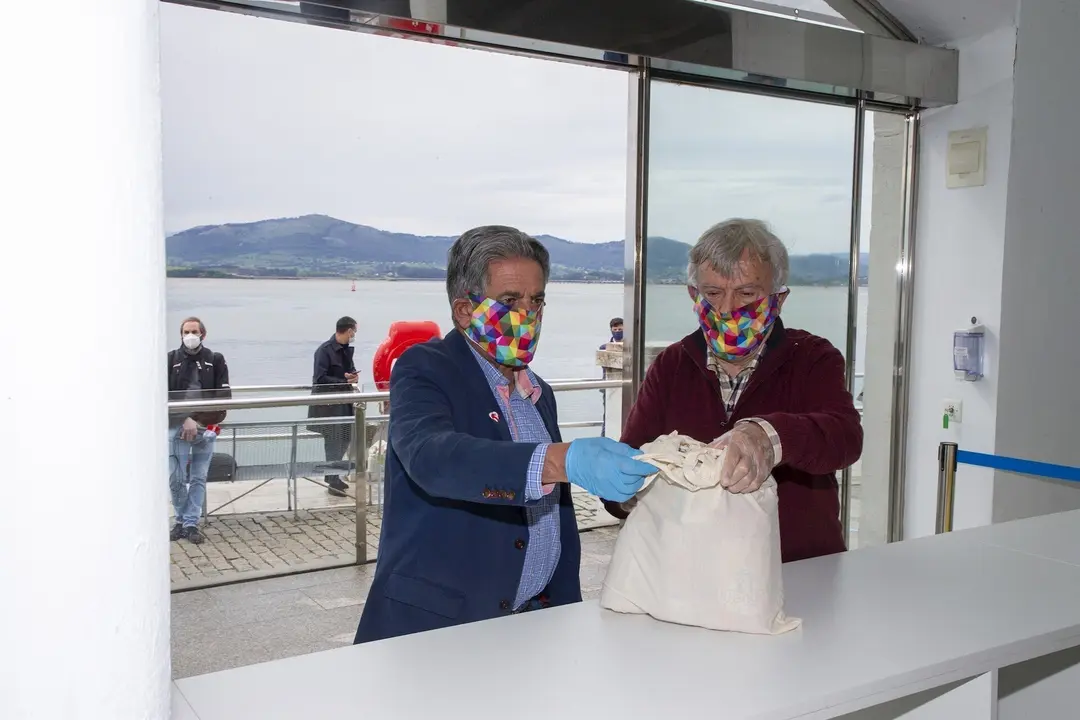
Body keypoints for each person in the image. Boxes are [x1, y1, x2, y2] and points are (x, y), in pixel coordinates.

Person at [354, 225, 656, 644]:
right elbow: (433, 457)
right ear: (464, 310)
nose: (528, 314)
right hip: (440, 630)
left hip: (536, 625)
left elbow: (552, 515)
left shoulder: (539, 393)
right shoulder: (424, 368)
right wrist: (561, 460)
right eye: (511, 301)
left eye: (537, 300)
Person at [607, 219, 862, 563]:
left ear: (779, 299)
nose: (727, 309)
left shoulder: (814, 358)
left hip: (799, 570)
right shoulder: (671, 365)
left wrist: (769, 436)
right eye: (712, 293)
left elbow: (844, 437)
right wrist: (621, 488)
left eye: (746, 293)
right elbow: (631, 461)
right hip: (690, 574)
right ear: (693, 296)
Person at [167, 317, 232, 545]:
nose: (190, 335)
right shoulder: (171, 360)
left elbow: (224, 396)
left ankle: (190, 523)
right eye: (186, 331)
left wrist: (209, 423)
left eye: (194, 331)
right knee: (175, 478)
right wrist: (185, 418)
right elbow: (163, 396)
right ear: (181, 334)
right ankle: (180, 519)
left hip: (205, 429)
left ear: (203, 334)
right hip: (177, 428)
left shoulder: (215, 360)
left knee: (198, 478)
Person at [308, 316, 359, 497]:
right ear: (348, 330)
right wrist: (342, 381)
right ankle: (332, 479)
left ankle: (334, 476)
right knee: (332, 441)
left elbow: (349, 370)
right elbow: (320, 378)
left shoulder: (346, 351)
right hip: (328, 405)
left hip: (344, 402)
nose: (354, 335)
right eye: (354, 331)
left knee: (344, 439)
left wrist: (353, 377)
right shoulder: (324, 351)